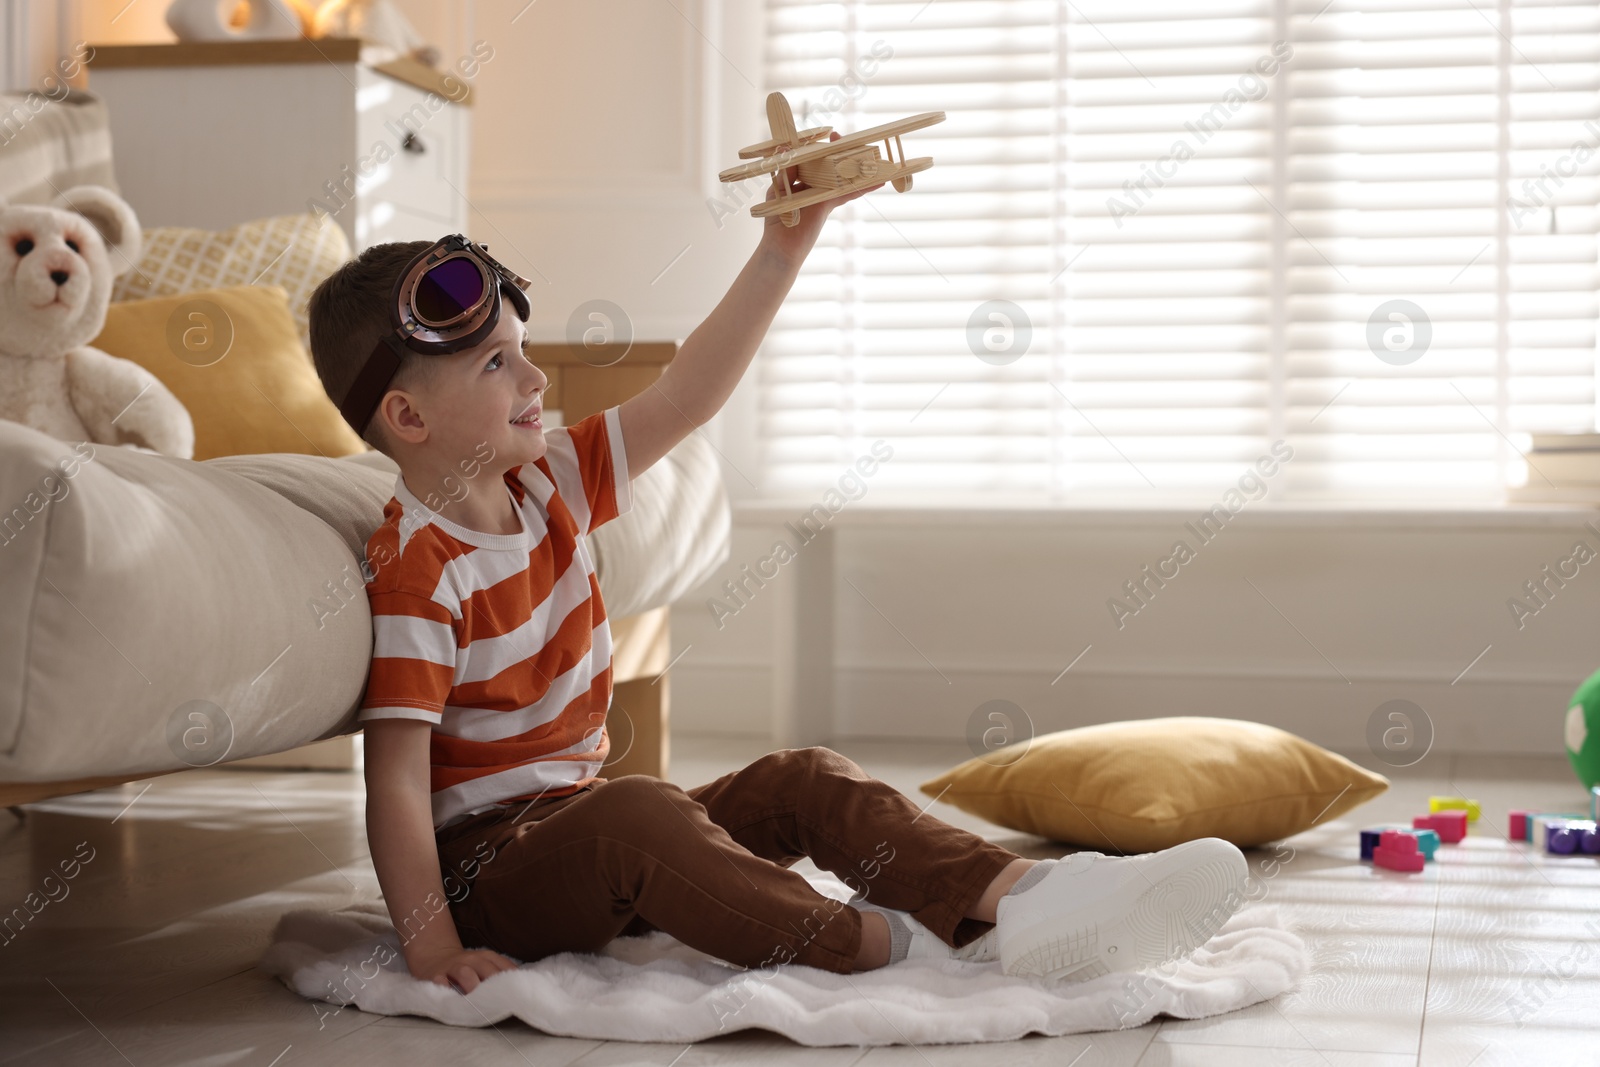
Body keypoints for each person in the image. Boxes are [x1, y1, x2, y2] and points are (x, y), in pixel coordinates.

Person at [306, 167, 1249, 998]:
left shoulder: (550, 479)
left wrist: (781, 250)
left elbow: (685, 395)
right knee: (641, 811)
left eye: (524, 346)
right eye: (497, 363)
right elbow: (392, 781)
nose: (537, 377)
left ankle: (1019, 900)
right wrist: (431, 947)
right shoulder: (419, 572)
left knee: (803, 780)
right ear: (407, 417)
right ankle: (893, 949)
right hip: (494, 875)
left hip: (588, 828)